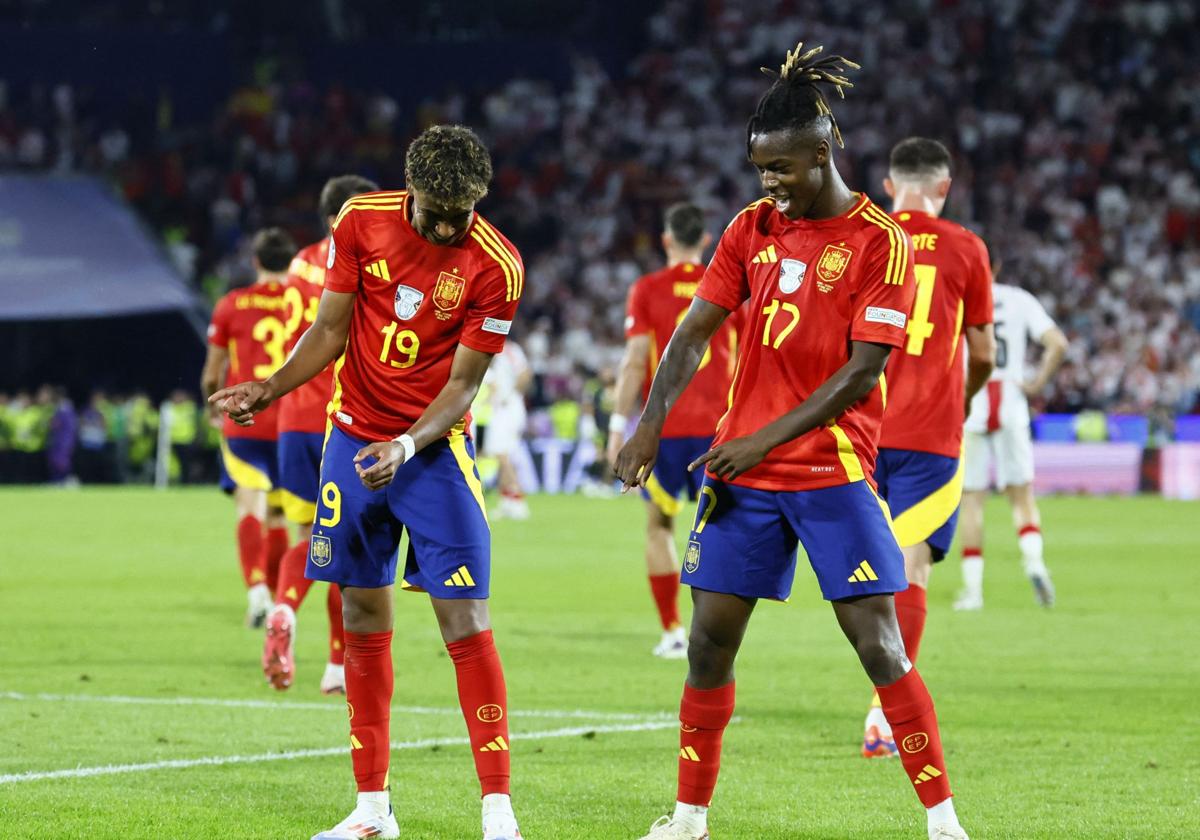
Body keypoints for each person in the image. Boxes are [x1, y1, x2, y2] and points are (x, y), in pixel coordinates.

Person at [615, 43, 969, 840]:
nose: (767, 183)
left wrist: (757, 440)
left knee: (879, 646)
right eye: (758, 169)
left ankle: (943, 822)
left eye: (780, 169)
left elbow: (860, 373)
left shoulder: (883, 241)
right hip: (744, 481)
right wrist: (649, 422)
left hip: (831, 471)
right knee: (708, 646)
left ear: (823, 152)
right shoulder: (752, 228)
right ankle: (689, 817)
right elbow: (692, 333)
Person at [211, 125, 524, 840]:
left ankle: (498, 813)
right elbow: (328, 329)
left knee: (464, 621)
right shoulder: (361, 222)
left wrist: (409, 444)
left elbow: (465, 382)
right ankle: (373, 810)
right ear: (409, 191)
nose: (449, 226)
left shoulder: (497, 265)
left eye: (463, 212)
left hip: (434, 452)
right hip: (350, 441)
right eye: (436, 211)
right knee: (360, 616)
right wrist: (269, 387)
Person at [858, 137, 996, 758]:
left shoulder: (864, 236)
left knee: (869, 571)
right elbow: (986, 353)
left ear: (890, 186)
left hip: (861, 429)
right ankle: (887, 715)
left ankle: (883, 705)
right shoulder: (967, 247)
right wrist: (962, 399)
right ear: (944, 187)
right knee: (911, 570)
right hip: (930, 435)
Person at [262, 174, 379, 695]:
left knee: (307, 538)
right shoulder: (365, 258)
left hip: (292, 419)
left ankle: (283, 604)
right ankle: (337, 664)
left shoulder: (296, 264)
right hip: (342, 418)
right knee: (349, 546)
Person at [607, 202, 737, 659]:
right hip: (720, 428)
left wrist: (617, 426)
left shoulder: (647, 289)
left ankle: (672, 631)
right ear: (705, 241)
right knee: (718, 532)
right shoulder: (728, 285)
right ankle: (710, 634)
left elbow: (634, 361)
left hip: (665, 428)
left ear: (665, 240)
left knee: (659, 526)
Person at [956, 269, 1068, 610]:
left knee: (972, 501)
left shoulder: (961, 297)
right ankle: (1035, 564)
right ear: (1001, 267)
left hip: (969, 402)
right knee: (1021, 497)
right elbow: (1058, 344)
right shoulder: (1020, 299)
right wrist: (1036, 384)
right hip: (1012, 402)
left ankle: (973, 592)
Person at [201, 228, 296, 628]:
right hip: (292, 419)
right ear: (291, 264)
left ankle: (256, 589)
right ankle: (279, 600)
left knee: (250, 505)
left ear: (255, 262)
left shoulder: (231, 304)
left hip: (245, 419)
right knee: (279, 515)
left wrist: (213, 405)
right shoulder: (302, 303)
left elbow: (213, 372)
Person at [480, 340, 532, 519]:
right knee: (501, 455)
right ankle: (507, 500)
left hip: (508, 407)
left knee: (501, 454)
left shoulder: (510, 349)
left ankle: (518, 501)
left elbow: (525, 374)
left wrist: (510, 395)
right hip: (501, 408)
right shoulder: (495, 347)